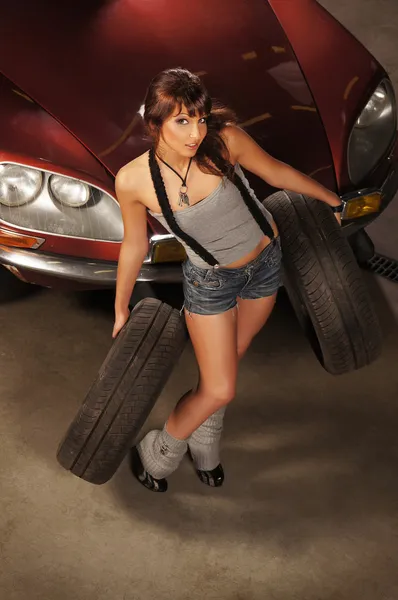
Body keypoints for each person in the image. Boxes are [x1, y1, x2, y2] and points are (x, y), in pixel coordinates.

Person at [113, 67, 343, 492]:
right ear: (155, 122)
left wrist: (331, 200)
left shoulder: (225, 141)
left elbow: (276, 173)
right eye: (182, 120)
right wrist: (120, 304)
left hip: (265, 265)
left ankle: (204, 438)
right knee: (220, 388)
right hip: (212, 284)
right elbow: (132, 245)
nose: (196, 131)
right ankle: (158, 450)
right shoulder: (132, 181)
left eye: (199, 118)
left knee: (229, 363)